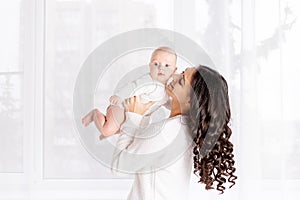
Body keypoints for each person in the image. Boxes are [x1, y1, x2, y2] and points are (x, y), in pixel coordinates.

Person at [111, 65, 237, 199]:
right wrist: (148, 108)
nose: (174, 76)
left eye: (181, 81)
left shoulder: (165, 132)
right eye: (182, 72)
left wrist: (134, 117)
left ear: (189, 101)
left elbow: (119, 167)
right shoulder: (187, 128)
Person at [82, 47, 178, 140]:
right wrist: (120, 96)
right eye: (156, 64)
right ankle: (95, 114)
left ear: (174, 70)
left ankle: (108, 129)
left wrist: (178, 106)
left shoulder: (167, 89)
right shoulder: (149, 81)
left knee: (125, 131)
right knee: (107, 130)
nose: (161, 68)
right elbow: (133, 87)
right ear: (150, 66)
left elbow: (166, 102)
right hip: (121, 108)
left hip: (132, 116)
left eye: (167, 65)